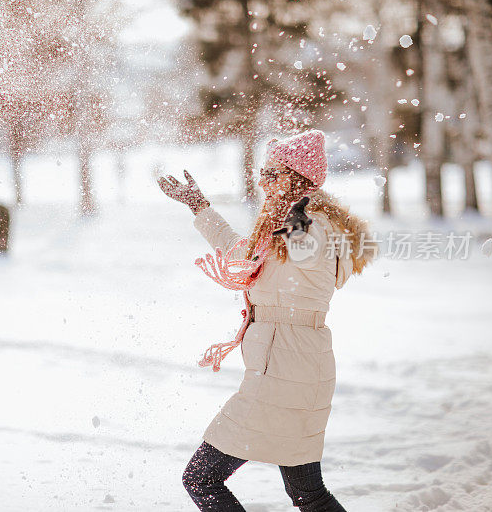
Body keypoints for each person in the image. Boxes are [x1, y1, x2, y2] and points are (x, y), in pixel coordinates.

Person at [158, 130, 375, 511]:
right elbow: (241, 250)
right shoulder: (289, 228)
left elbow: (307, 251)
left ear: (297, 178)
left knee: (201, 478)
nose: (262, 182)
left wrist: (298, 210)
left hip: (283, 373)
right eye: (262, 171)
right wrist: (200, 206)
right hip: (293, 369)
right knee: (308, 493)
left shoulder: (311, 226)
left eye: (272, 173)